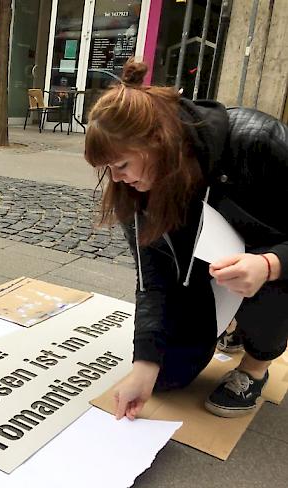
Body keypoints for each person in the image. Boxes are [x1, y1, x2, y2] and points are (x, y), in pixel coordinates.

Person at [84, 59, 287, 419]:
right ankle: (232, 324)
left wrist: (271, 264)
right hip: (210, 272)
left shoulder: (257, 142)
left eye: (123, 166)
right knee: (168, 376)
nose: (116, 180)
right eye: (108, 170)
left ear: (157, 143)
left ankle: (256, 366)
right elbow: (153, 281)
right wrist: (144, 364)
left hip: (268, 264)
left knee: (260, 285)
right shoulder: (134, 193)